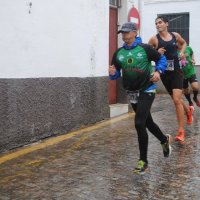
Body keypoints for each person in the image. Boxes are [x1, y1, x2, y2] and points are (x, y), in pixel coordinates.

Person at [109, 22, 172, 174]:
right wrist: (113, 73)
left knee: (139, 123)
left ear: (134, 33)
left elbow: (161, 59)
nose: (123, 35)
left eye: (126, 32)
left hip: (147, 89)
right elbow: (116, 73)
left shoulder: (145, 48)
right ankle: (164, 140)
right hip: (132, 92)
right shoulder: (119, 53)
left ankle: (143, 161)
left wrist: (158, 72)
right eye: (122, 33)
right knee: (148, 123)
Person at [148, 16, 193, 142]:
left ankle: (181, 131)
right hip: (164, 73)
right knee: (175, 98)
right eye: (156, 23)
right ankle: (188, 112)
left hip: (177, 72)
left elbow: (184, 43)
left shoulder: (175, 35)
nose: (157, 25)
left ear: (166, 24)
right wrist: (157, 53)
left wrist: (182, 52)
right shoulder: (153, 39)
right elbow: (147, 54)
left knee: (177, 100)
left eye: (160, 22)